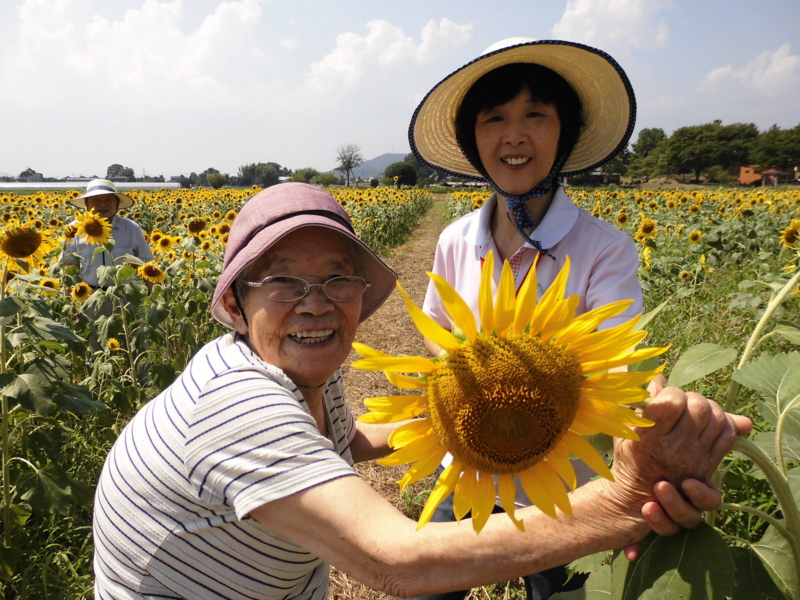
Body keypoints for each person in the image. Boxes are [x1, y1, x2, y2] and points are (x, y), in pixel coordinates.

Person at [93, 182, 750, 599]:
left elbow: (348, 441)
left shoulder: (305, 379)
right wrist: (621, 504)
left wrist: (466, 414)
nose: (315, 305)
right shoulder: (240, 403)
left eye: (336, 280)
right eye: (284, 281)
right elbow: (396, 563)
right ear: (236, 304)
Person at [408, 39, 677, 598]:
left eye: (536, 114)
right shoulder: (457, 240)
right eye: (495, 118)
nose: (514, 135)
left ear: (565, 132)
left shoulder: (604, 249)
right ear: (472, 138)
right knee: (427, 584)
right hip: (467, 465)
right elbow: (437, 333)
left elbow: (619, 359)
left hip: (567, 483)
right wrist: (474, 382)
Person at [61, 178, 154, 352]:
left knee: (137, 345)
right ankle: (100, 379)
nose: (102, 204)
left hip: (128, 298)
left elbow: (146, 262)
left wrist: (152, 296)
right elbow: (70, 268)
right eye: (96, 200)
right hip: (91, 298)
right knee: (95, 347)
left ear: (117, 203)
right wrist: (70, 303)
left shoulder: (131, 228)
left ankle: (140, 380)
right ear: (86, 204)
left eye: (108, 199)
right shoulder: (75, 229)